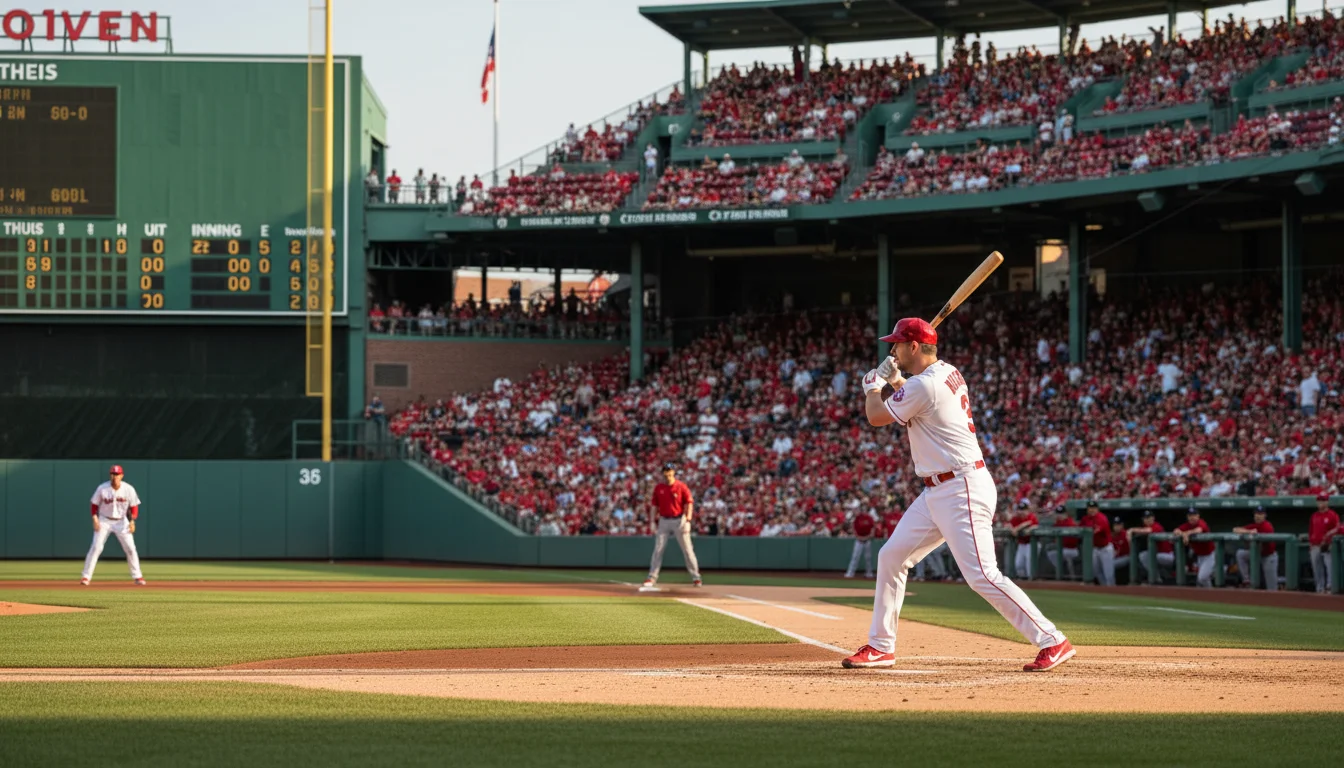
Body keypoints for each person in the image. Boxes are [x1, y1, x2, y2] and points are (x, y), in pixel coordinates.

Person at [843, 317, 1073, 672]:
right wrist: (896, 380)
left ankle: (1052, 638)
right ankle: (881, 646)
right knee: (891, 557)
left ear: (914, 346)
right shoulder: (945, 372)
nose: (893, 350)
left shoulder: (924, 386)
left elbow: (876, 416)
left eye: (899, 345)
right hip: (938, 490)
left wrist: (873, 386)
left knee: (982, 574)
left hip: (960, 487)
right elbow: (918, 396)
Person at [80, 465, 146, 586]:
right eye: (112, 474)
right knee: (96, 547)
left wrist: (132, 521)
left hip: (122, 521)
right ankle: (86, 577)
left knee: (131, 549)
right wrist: (94, 518)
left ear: (122, 475)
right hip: (104, 520)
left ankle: (138, 576)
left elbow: (134, 507)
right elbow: (94, 505)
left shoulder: (128, 489)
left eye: (117, 474)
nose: (114, 476)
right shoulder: (102, 488)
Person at [643, 462, 702, 588]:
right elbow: (654, 506)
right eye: (665, 471)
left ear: (674, 472)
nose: (668, 473)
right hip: (664, 520)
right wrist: (652, 522)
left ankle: (696, 576)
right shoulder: (659, 488)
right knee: (658, 549)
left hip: (679, 520)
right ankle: (652, 577)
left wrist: (688, 521)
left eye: (670, 470)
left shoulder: (681, 486)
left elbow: (689, 503)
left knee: (687, 549)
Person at [1233, 505, 1278, 591]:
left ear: (1265, 515)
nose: (1258, 516)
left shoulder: (1267, 526)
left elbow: (1262, 538)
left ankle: (1274, 602)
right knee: (1241, 554)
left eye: (1260, 514)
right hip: (1257, 554)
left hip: (1268, 556)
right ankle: (1246, 580)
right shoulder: (1253, 526)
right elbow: (1235, 529)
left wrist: (1254, 533)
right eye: (1256, 514)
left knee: (1272, 587)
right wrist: (1249, 531)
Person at [1128, 510, 1174, 581]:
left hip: (1168, 556)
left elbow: (1148, 530)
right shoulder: (1145, 527)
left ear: (1153, 518)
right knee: (1143, 555)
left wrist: (1131, 530)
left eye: (1149, 517)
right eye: (1145, 518)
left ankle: (1156, 578)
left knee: (1146, 556)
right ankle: (1160, 577)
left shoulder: (1157, 526)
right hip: (1158, 556)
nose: (1147, 520)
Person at [1176, 508, 1216, 587]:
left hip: (1209, 555)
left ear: (1198, 516)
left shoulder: (1201, 523)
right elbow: (1176, 530)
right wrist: (1183, 534)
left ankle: (1210, 594)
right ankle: (1210, 595)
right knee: (1201, 581)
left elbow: (1199, 530)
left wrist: (1186, 533)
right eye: (1190, 515)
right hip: (1199, 556)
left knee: (1202, 578)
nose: (1192, 517)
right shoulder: (1187, 525)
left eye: (1194, 515)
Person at [1308, 493, 1339, 594]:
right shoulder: (1314, 516)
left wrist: (1330, 543)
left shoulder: (1333, 515)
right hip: (1315, 546)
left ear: (1327, 502)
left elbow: (1337, 530)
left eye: (1323, 500)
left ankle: (1330, 588)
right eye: (1319, 500)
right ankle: (1320, 589)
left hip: (1327, 546)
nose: (1321, 502)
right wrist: (1311, 545)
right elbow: (1311, 531)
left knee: (1330, 568)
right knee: (1317, 569)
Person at [1080, 500, 1115, 586]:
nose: (1091, 510)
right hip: (1095, 548)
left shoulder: (1101, 518)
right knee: (1097, 572)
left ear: (1097, 509)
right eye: (1090, 508)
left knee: (1108, 574)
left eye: (1093, 508)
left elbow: (1096, 531)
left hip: (1105, 548)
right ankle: (1104, 590)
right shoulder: (1085, 519)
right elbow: (1079, 529)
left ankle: (1112, 591)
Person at [1045, 506, 1080, 579]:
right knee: (1051, 554)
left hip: (1071, 549)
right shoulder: (1058, 523)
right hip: (1062, 549)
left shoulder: (1070, 523)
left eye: (1061, 514)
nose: (1059, 516)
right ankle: (1060, 572)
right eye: (1058, 514)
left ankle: (1064, 574)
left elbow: (1072, 541)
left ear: (1066, 514)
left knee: (1056, 553)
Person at [1009, 500, 1039, 579]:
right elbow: (1008, 525)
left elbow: (1030, 523)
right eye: (1020, 509)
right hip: (1022, 544)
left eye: (1023, 510)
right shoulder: (1016, 518)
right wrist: (1012, 528)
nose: (1021, 512)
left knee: (1030, 565)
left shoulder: (1031, 516)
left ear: (1027, 510)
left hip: (1032, 544)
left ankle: (1031, 582)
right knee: (1018, 565)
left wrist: (1017, 528)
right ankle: (1024, 582)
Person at [845, 509, 876, 579]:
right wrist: (859, 537)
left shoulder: (869, 518)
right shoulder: (857, 518)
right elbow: (853, 529)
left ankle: (869, 573)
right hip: (859, 541)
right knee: (855, 557)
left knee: (868, 558)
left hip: (867, 540)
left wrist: (868, 536)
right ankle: (850, 573)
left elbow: (872, 528)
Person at [1111, 517, 1131, 582]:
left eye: (1119, 525)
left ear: (1122, 525)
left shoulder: (1126, 534)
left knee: (1111, 564)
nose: (1117, 527)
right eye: (1115, 525)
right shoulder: (1111, 536)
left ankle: (1110, 584)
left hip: (1126, 556)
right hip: (1116, 557)